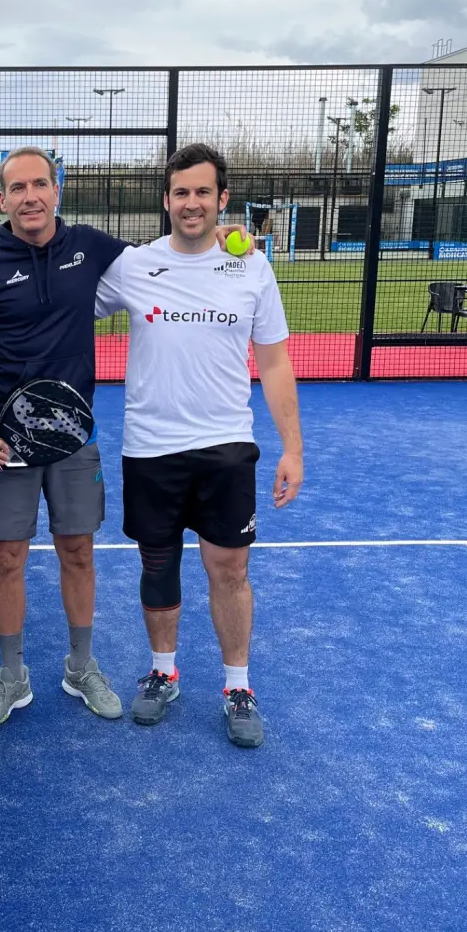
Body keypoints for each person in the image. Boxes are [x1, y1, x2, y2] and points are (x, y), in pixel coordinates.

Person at [0, 146, 252, 731]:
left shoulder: (92, 246)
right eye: (17, 188)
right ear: (1, 198)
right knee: (6, 558)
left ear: (56, 190)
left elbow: (178, 252)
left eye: (40, 185)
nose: (30, 197)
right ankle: (11, 676)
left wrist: (232, 240)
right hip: (4, 440)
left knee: (78, 551)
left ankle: (81, 666)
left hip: (75, 437)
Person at [94, 143, 303, 748]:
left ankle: (238, 685)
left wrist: (292, 447)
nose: (191, 203)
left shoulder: (251, 268)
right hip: (151, 446)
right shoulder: (133, 265)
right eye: (181, 193)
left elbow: (274, 361)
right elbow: (66, 301)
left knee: (230, 568)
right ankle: (163, 672)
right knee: (157, 565)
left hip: (226, 446)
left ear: (222, 200)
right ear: (167, 201)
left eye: (203, 193)